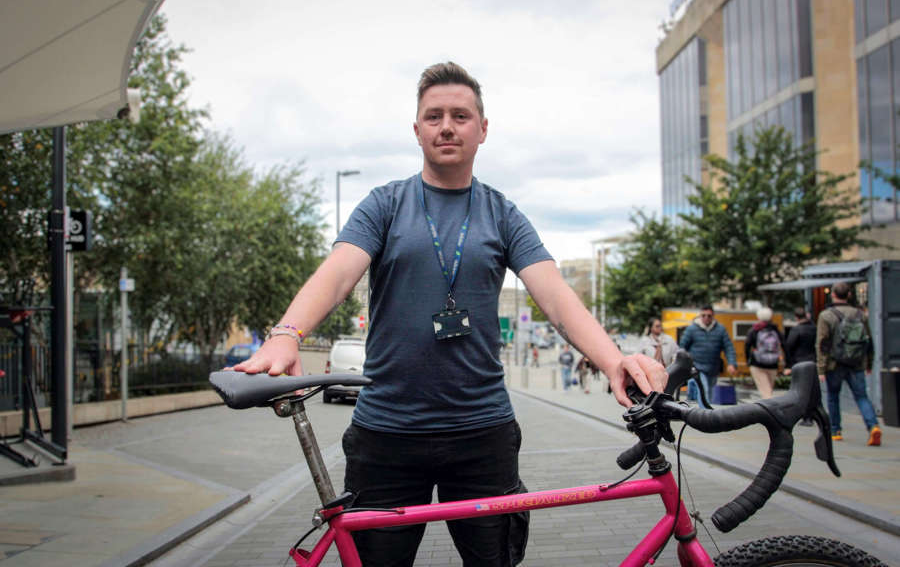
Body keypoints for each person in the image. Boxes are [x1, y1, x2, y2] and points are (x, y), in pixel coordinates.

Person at [234, 62, 667, 567]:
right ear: (416, 129)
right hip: (387, 433)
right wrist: (288, 332)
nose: (446, 126)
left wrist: (613, 360)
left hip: (482, 434)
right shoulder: (385, 204)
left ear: (483, 129)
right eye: (433, 115)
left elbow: (556, 297)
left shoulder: (502, 213)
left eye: (460, 115)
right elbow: (337, 273)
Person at [815, 282, 881, 446]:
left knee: (833, 397)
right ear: (849, 295)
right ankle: (873, 426)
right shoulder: (860, 315)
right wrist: (869, 364)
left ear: (833, 295)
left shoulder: (826, 315)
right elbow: (869, 341)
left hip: (834, 364)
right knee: (861, 397)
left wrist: (821, 368)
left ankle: (835, 431)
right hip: (856, 363)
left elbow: (822, 343)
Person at [679, 305, 737, 408]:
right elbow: (682, 347)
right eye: (704, 315)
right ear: (700, 315)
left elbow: (728, 347)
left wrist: (732, 363)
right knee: (704, 391)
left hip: (713, 367)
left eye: (709, 316)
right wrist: (682, 363)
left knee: (709, 393)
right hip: (697, 367)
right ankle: (705, 414)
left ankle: (704, 410)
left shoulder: (720, 329)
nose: (706, 318)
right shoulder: (692, 329)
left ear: (713, 316)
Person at [785, 306, 817, 426]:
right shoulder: (815, 328)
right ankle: (810, 415)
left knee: (799, 391)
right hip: (813, 362)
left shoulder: (796, 330)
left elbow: (789, 346)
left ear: (796, 317)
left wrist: (788, 365)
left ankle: (804, 416)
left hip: (799, 363)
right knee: (812, 390)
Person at [744, 307, 784, 399]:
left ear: (758, 317)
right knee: (769, 390)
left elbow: (747, 346)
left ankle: (769, 411)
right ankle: (770, 409)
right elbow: (784, 345)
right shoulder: (775, 330)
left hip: (757, 364)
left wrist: (748, 361)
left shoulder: (754, 330)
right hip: (773, 364)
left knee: (766, 393)